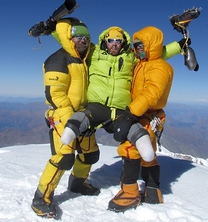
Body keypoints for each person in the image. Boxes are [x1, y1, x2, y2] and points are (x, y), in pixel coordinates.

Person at [31, 17, 100, 219]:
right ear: (70, 38)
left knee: (90, 154)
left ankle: (77, 183)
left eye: (86, 38)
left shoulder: (85, 58)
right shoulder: (57, 59)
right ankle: (40, 198)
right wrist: (73, 122)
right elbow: (55, 96)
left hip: (83, 115)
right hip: (62, 115)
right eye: (78, 37)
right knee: (64, 157)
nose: (83, 41)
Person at [108, 26, 174, 212]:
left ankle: (129, 192)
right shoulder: (143, 64)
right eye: (135, 46)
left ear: (152, 46)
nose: (137, 49)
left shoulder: (159, 67)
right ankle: (153, 190)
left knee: (130, 149)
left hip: (147, 114)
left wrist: (130, 113)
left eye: (141, 45)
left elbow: (151, 93)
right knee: (148, 154)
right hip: (146, 114)